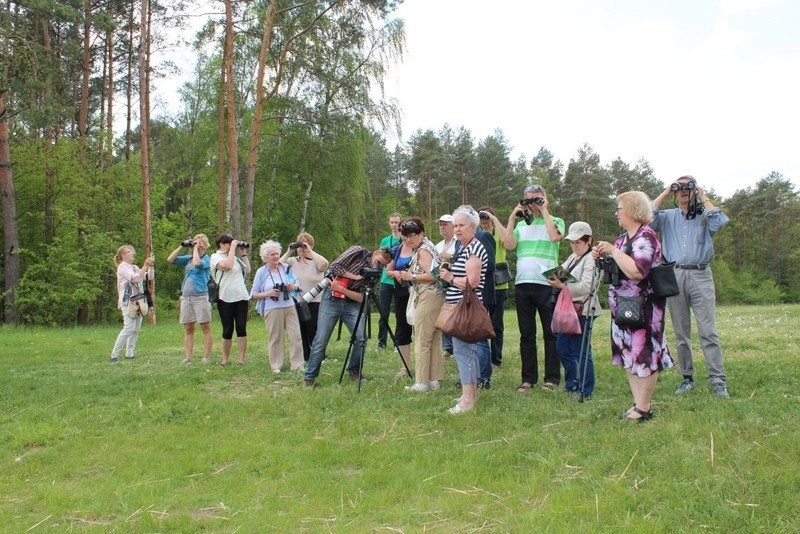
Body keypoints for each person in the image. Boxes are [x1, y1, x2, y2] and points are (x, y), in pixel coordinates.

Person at [593, 191, 673, 421]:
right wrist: (600, 260)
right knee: (629, 355)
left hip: (645, 308)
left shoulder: (646, 237)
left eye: (619, 208)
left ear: (632, 210)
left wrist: (614, 251)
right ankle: (637, 404)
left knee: (644, 354)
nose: (616, 213)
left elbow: (637, 271)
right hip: (622, 307)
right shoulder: (622, 239)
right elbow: (617, 269)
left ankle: (644, 407)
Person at [651, 175, 731, 398]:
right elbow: (647, 216)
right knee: (681, 331)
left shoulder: (705, 215)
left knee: (708, 330)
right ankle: (687, 378)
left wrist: (702, 194)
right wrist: (666, 191)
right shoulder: (667, 217)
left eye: (689, 187)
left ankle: (717, 379)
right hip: (674, 274)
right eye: (680, 187)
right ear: (675, 193)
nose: (684, 190)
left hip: (700, 274)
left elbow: (720, 221)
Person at [501, 185, 564, 392]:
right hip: (523, 284)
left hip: (547, 283)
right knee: (526, 334)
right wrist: (512, 217)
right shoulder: (521, 226)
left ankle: (552, 379)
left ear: (545, 199)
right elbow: (509, 244)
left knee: (550, 333)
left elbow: (555, 237)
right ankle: (528, 379)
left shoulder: (555, 221)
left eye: (538, 199)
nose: (534, 203)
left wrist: (544, 210)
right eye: (530, 200)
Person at [303, 245, 392, 387]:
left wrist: (343, 289)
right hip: (331, 299)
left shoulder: (375, 273)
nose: (378, 266)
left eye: (382, 266)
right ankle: (309, 378)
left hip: (351, 304)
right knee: (321, 339)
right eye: (378, 262)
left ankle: (354, 371)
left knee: (361, 337)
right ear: (374, 253)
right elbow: (335, 267)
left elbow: (362, 298)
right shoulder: (358, 251)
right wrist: (356, 276)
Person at [438, 205, 489, 414]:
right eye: (455, 225)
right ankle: (469, 395)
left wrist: (449, 278)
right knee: (465, 351)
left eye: (462, 225)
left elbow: (473, 281)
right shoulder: (465, 248)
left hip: (465, 309)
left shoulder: (475, 248)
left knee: (463, 352)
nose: (457, 229)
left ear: (473, 227)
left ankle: (468, 401)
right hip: (460, 307)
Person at [546, 222, 602, 399]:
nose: (574, 245)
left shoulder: (592, 259)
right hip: (567, 309)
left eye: (578, 242)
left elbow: (586, 287)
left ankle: (586, 390)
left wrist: (561, 285)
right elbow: (562, 273)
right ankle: (571, 383)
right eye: (572, 242)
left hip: (583, 310)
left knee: (581, 350)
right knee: (562, 348)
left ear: (588, 241)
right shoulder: (572, 257)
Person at [391, 217, 444, 392]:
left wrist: (410, 277)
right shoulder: (427, 246)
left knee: (421, 339)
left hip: (428, 295)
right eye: (405, 236)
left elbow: (433, 275)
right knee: (433, 339)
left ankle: (421, 382)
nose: (408, 239)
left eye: (412, 235)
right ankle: (434, 380)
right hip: (435, 296)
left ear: (422, 233)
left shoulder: (423, 251)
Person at [251, 240, 304, 373]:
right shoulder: (261, 272)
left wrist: (293, 287)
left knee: (296, 336)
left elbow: (298, 284)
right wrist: (269, 293)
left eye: (277, 253)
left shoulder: (286, 268)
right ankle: (276, 365)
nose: (275, 257)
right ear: (265, 258)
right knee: (275, 337)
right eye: (272, 254)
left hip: (289, 305)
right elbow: (253, 294)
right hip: (272, 307)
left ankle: (298, 365)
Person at [280, 232, 329, 361]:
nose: (302, 248)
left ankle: (319, 355)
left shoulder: (316, 261)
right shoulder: (292, 261)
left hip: (315, 300)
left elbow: (325, 264)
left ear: (311, 245)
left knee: (314, 328)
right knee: (300, 329)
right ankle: (306, 356)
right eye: (300, 244)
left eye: (305, 244)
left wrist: (310, 251)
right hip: (297, 299)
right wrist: (290, 251)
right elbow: (278, 266)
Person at [168, 234, 213, 364]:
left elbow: (197, 263)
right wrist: (182, 246)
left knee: (205, 326)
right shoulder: (188, 259)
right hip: (186, 298)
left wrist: (195, 249)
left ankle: (206, 356)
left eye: (199, 244)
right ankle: (188, 357)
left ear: (205, 246)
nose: (197, 245)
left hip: (200, 297)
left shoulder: (207, 259)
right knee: (188, 328)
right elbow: (171, 259)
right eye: (195, 243)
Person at [209, 234, 251, 366]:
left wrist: (243, 254)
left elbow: (248, 270)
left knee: (241, 327)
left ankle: (241, 359)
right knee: (227, 329)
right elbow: (228, 266)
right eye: (228, 243)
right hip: (225, 297)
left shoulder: (236, 258)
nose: (230, 245)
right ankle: (225, 359)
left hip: (241, 296)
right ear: (221, 244)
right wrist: (232, 248)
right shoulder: (215, 257)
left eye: (231, 243)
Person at [110, 245, 154, 363]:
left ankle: (130, 353)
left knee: (136, 329)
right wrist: (145, 266)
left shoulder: (134, 267)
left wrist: (150, 267)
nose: (133, 253)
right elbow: (134, 279)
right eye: (130, 252)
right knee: (129, 328)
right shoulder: (122, 267)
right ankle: (114, 354)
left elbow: (148, 277)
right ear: (123, 255)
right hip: (128, 302)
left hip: (138, 301)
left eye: (133, 251)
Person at [478, 207, 509, 372]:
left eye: (486, 216)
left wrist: (494, 220)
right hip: (482, 282)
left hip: (499, 282)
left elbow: (507, 242)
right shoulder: (477, 234)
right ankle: (482, 356)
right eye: (481, 216)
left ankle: (495, 359)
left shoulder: (498, 233)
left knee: (496, 323)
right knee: (481, 322)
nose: (484, 219)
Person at [384, 220, 415, 379]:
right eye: (403, 231)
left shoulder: (419, 248)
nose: (405, 235)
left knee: (421, 330)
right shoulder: (396, 250)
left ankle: (425, 366)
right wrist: (397, 274)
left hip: (418, 293)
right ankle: (404, 367)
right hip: (401, 294)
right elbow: (388, 271)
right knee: (402, 329)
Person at [377, 212, 403, 349]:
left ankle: (398, 342)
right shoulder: (385, 240)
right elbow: (380, 259)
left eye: (396, 222)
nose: (394, 225)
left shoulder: (405, 240)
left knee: (399, 313)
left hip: (399, 280)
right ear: (389, 223)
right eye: (392, 222)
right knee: (384, 312)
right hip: (385, 281)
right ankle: (381, 342)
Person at [434, 214, 457, 358]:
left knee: (455, 315)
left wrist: (450, 256)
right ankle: (449, 348)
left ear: (453, 226)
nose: (442, 227)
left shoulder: (459, 242)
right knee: (443, 314)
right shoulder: (438, 245)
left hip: (456, 282)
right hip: (441, 283)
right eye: (440, 224)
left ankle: (456, 345)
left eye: (445, 224)